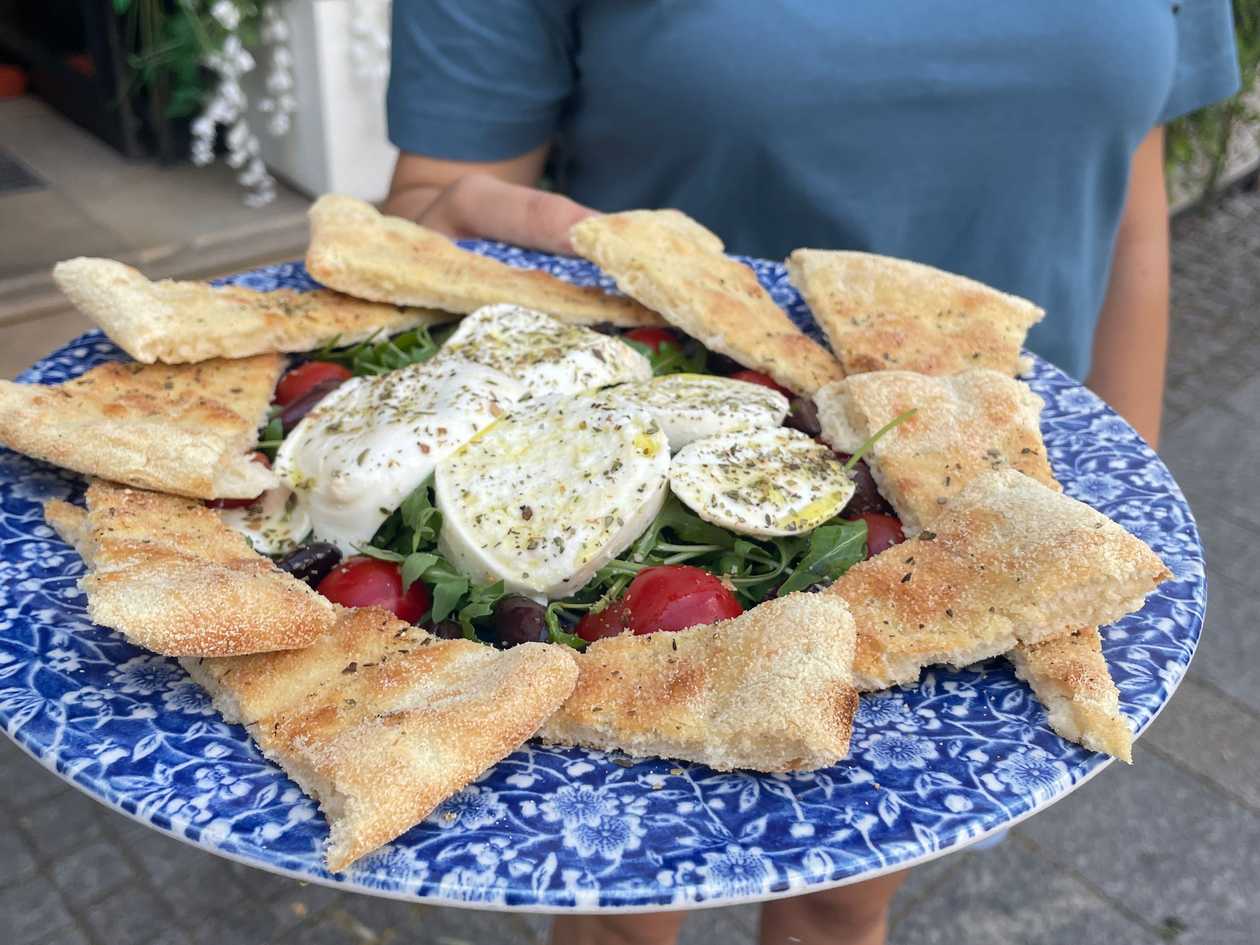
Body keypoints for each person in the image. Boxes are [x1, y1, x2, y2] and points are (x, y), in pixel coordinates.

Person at [381, 4, 1240, 943]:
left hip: (966, 511)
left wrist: (1109, 526)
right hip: (618, 506)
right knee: (625, 911)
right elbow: (442, 197)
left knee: (843, 899)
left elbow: (1131, 203)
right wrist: (431, 236)